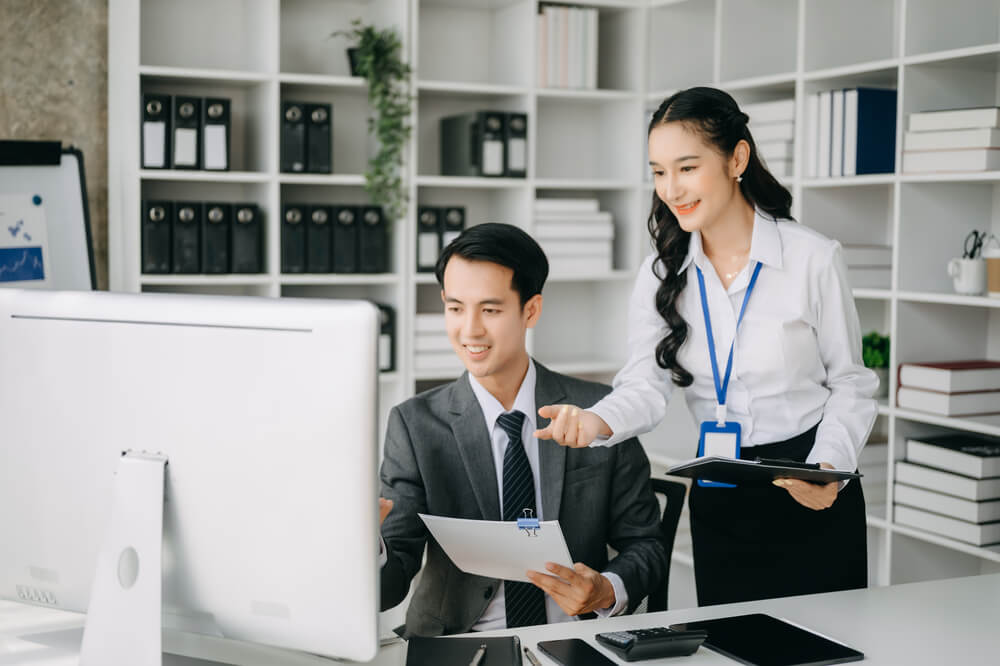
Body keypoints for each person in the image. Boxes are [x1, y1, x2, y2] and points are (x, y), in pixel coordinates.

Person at [536, 87, 878, 607]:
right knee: (733, 645)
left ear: (736, 158)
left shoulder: (812, 258)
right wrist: (595, 422)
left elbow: (852, 383)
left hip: (809, 480)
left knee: (827, 644)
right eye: (658, 172)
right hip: (720, 485)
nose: (671, 189)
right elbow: (644, 387)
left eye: (687, 167)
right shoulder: (661, 275)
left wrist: (829, 468)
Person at [378, 223, 667, 637]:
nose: (470, 330)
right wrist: (369, 547)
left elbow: (646, 545)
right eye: (456, 308)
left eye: (490, 310)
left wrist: (605, 590)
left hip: (572, 638)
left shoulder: (600, 411)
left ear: (530, 310)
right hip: (458, 645)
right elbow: (391, 581)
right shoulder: (415, 425)